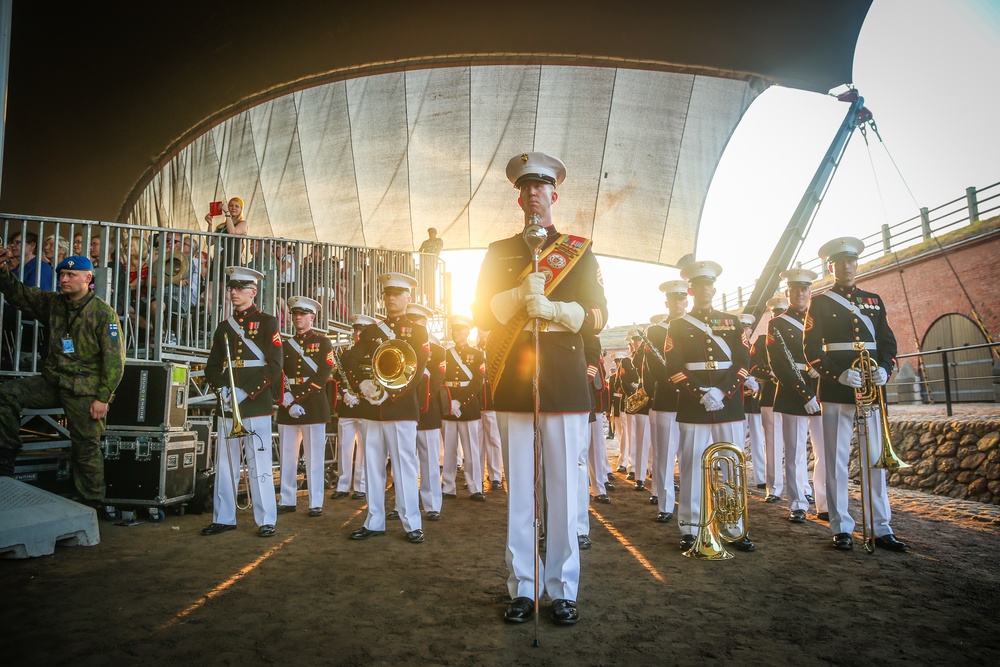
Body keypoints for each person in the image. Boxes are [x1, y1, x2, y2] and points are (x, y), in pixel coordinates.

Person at [473, 151, 607, 625]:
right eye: (525, 187)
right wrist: (514, 298)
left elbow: (598, 314)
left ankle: (563, 587)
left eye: (541, 187)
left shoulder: (578, 248)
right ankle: (523, 588)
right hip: (514, 376)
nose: (533, 194)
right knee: (520, 492)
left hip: (565, 377)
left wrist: (559, 311)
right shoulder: (499, 251)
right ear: (518, 197)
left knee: (566, 488)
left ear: (554, 194)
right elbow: (479, 314)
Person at [804, 237, 907, 552]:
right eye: (841, 262)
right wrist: (837, 373)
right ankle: (841, 526)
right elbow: (810, 349)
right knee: (835, 459)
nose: (848, 267)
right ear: (831, 266)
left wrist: (886, 370)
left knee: (876, 458)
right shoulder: (820, 302)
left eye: (853, 261)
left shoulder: (873, 300)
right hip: (838, 388)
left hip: (871, 388)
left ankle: (881, 527)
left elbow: (888, 343)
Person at [0, 252, 126, 510]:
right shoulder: (54, 303)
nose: (64, 279)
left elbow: (115, 362)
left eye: (71, 275)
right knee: (7, 394)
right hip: (53, 383)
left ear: (88, 278)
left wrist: (103, 397)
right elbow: (19, 293)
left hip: (85, 391)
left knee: (86, 449)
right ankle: (5, 459)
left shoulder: (103, 314)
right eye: (61, 275)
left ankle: (91, 505)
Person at [660, 260, 755, 554]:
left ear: (714, 288)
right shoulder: (676, 325)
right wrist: (698, 392)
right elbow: (672, 367)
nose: (704, 290)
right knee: (691, 467)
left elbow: (743, 361)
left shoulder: (732, 321)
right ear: (691, 290)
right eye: (698, 285)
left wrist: (722, 391)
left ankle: (734, 526)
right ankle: (691, 528)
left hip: (728, 403)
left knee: (732, 465)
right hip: (694, 403)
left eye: (708, 285)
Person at [342, 272, 429, 544]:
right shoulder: (371, 331)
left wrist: (389, 395)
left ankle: (411, 523)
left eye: (397, 294)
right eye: (387, 294)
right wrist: (363, 384)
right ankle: (374, 520)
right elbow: (349, 360)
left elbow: (417, 371)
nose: (391, 298)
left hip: (400, 407)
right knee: (372, 467)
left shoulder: (418, 331)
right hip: (371, 409)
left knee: (404, 466)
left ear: (408, 298)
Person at [201, 266, 283, 538]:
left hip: (255, 401)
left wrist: (246, 392)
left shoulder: (268, 323)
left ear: (253, 291)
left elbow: (273, 366)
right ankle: (224, 517)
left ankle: (266, 519)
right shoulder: (224, 327)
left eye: (239, 288)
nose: (234, 293)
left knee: (259, 462)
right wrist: (221, 389)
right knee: (225, 463)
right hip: (228, 403)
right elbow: (212, 366)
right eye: (231, 288)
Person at [767, 268, 826, 524]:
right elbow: (779, 364)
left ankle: (824, 502)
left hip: (822, 388)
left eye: (804, 289)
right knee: (794, 452)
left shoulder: (820, 320)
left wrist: (821, 368)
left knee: (826, 451)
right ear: (787, 293)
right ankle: (798, 503)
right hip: (793, 391)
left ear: (809, 292)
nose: (800, 294)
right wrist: (803, 393)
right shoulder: (776, 323)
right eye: (795, 290)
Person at [277, 295, 334, 517]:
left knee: (314, 457)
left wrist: (297, 398)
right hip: (288, 403)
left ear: (312, 316)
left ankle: (315, 502)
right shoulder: (284, 345)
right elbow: (279, 373)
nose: (298, 317)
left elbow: (323, 374)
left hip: (313, 402)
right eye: (295, 314)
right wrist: (287, 400)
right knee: (287, 456)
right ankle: (288, 499)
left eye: (302, 314)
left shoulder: (323, 342)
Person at [644, 279, 688, 523]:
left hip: (691, 399)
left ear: (686, 301)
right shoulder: (656, 331)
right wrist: (678, 383)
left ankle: (690, 505)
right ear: (667, 302)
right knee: (664, 454)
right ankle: (665, 504)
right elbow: (655, 369)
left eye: (681, 299)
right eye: (673, 300)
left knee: (689, 455)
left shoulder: (694, 326)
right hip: (667, 398)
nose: (677, 304)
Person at [330, 313, 376, 501]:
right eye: (357, 331)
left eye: (362, 332)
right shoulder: (347, 354)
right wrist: (344, 393)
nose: (358, 335)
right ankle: (342, 485)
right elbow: (339, 376)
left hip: (366, 405)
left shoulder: (375, 353)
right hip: (348, 406)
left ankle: (361, 485)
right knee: (344, 446)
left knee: (364, 449)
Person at [441, 315, 487, 501]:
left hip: (468, 406)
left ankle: (475, 487)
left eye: (460, 330)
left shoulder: (477, 355)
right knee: (449, 448)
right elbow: (441, 380)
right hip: (449, 405)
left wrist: (461, 401)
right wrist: (450, 402)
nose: (456, 333)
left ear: (468, 332)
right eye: (454, 330)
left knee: (471, 449)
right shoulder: (445, 354)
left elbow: (478, 381)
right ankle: (448, 486)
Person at [406, 303, 446, 520]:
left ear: (425, 324)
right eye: (410, 320)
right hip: (403, 410)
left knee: (429, 461)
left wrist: (420, 400)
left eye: (417, 321)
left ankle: (432, 505)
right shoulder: (400, 347)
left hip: (427, 411)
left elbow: (437, 381)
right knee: (405, 461)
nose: (413, 324)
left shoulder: (438, 350)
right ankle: (404, 503)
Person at [753, 295, 787, 503]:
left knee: (799, 446)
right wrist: (771, 373)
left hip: (796, 396)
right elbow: (753, 366)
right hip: (771, 396)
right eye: (775, 314)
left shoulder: (800, 335)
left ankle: (803, 488)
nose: (778, 317)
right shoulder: (761, 340)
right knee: (772, 443)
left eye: (782, 313)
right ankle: (773, 488)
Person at [738, 313, 767, 491]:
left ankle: (761, 477)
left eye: (747, 328)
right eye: (742, 327)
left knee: (758, 441)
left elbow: (757, 366)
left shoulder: (754, 348)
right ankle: (738, 477)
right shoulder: (734, 348)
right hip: (739, 400)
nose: (745, 331)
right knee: (738, 441)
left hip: (754, 400)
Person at [417, 227, 444, 308]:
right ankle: (428, 301)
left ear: (435, 233)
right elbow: (420, 250)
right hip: (424, 264)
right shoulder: (425, 242)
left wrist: (432, 256)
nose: (430, 233)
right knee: (425, 283)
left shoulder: (439, 240)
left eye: (432, 232)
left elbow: (438, 250)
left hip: (432, 264)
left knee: (431, 283)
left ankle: (432, 302)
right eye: (429, 232)